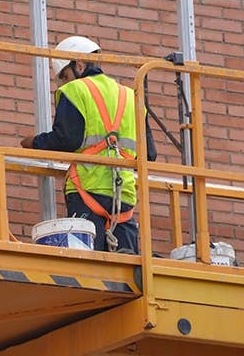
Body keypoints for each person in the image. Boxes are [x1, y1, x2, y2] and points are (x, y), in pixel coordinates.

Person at [21, 36, 156, 254]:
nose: (64, 83)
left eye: (64, 76)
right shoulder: (130, 96)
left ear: (79, 65)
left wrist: (33, 143)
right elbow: (149, 154)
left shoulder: (75, 90)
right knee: (127, 278)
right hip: (123, 199)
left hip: (87, 192)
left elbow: (66, 140)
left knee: (89, 269)